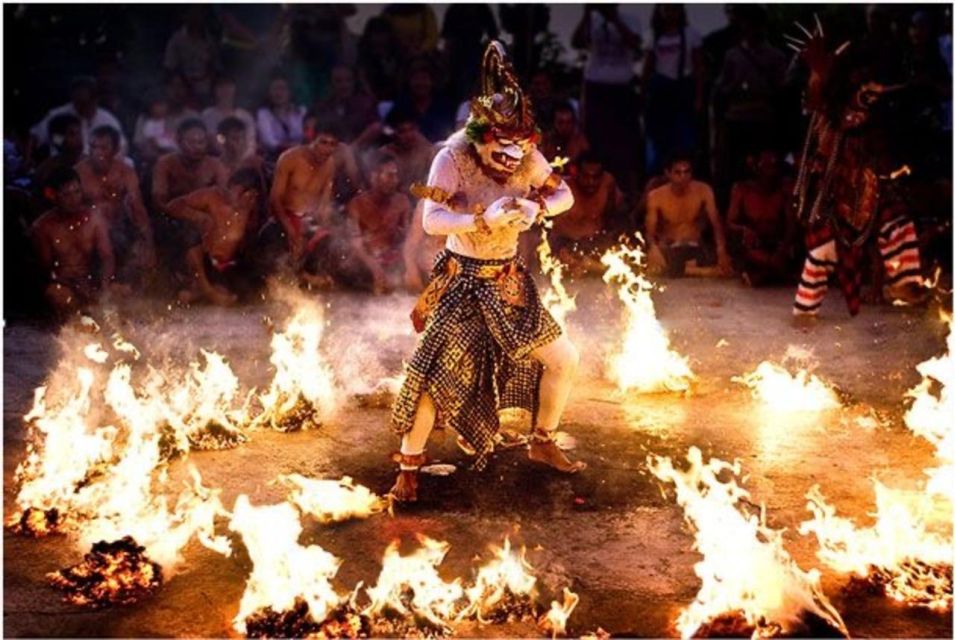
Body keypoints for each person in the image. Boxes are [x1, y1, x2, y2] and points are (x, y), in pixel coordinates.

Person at [390, 42, 585, 504]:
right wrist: (482, 220)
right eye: (502, 150)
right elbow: (430, 220)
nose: (512, 160)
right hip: (462, 281)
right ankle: (408, 467)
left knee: (564, 359)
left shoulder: (528, 155)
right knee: (434, 379)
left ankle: (542, 440)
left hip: (508, 280)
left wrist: (536, 208)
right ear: (481, 135)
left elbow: (566, 196)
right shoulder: (451, 157)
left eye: (520, 151)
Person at [790, 30, 927, 327]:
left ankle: (905, 281)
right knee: (822, 249)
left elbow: (871, 119)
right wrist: (817, 71)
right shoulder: (828, 102)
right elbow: (821, 102)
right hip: (832, 186)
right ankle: (804, 311)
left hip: (866, 183)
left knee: (897, 222)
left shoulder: (869, 102)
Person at [713, 4, 787, 197]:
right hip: (737, 118)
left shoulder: (775, 56)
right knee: (734, 169)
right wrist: (736, 86)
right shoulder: (733, 56)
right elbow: (721, 88)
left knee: (764, 168)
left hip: (762, 119)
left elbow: (782, 88)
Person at [268, 121, 355, 284]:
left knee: (336, 244)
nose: (327, 149)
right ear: (312, 139)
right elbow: (274, 199)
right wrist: (291, 229)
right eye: (323, 142)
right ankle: (293, 279)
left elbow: (324, 206)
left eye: (332, 145)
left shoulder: (329, 165)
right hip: (283, 219)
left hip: (308, 222)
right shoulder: (289, 158)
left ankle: (310, 277)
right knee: (277, 245)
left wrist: (321, 228)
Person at [165, 168, 262, 306]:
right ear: (231, 187)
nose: (245, 200)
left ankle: (199, 292)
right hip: (200, 260)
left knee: (237, 294)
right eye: (238, 192)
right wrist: (200, 217)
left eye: (251, 196)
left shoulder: (251, 210)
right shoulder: (212, 196)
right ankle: (207, 289)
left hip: (223, 267)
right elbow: (172, 206)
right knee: (188, 232)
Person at [572, 3, 642, 190]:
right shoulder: (593, 20)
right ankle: (595, 185)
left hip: (621, 87)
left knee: (624, 143)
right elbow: (577, 42)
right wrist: (586, 14)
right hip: (596, 85)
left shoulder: (631, 19)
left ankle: (623, 189)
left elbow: (635, 44)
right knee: (596, 140)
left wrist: (615, 19)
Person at [30, 168, 118, 316]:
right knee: (57, 295)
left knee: (122, 292)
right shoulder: (43, 227)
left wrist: (104, 285)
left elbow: (107, 257)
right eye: (67, 195)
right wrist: (71, 284)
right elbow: (46, 269)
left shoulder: (94, 218)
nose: (74, 199)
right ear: (54, 196)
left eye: (77, 192)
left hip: (92, 281)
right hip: (64, 285)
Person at [75, 125, 156, 278]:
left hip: (120, 228)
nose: (97, 153)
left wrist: (148, 242)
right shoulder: (78, 173)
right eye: (93, 147)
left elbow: (137, 207)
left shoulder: (125, 172)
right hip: (86, 232)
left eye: (103, 148)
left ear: (116, 149)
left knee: (140, 251)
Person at [645, 151, 731, 278]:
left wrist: (721, 249)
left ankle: (689, 269)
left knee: (725, 261)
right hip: (670, 248)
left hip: (696, 246)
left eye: (687, 172)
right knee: (654, 266)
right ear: (668, 173)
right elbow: (650, 232)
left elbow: (716, 223)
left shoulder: (704, 190)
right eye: (678, 172)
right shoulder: (656, 196)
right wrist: (653, 248)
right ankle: (695, 270)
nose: (683, 176)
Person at [642, 4, 703, 178]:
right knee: (657, 143)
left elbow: (699, 68)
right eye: (667, 9)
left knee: (685, 141)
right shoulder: (653, 35)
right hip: (660, 91)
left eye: (674, 9)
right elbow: (648, 66)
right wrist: (644, 94)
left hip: (683, 89)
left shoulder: (691, 34)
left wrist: (698, 97)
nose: (670, 14)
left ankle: (686, 178)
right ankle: (656, 181)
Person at [726, 148, 795, 286]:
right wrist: (745, 230)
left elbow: (791, 224)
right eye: (766, 166)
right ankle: (767, 272)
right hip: (752, 244)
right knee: (748, 249)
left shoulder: (784, 189)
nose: (770, 172)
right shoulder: (742, 189)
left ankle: (766, 273)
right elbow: (730, 222)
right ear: (755, 167)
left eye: (773, 166)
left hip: (776, 245)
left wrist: (784, 247)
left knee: (785, 260)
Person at [345, 152, 412, 294]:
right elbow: (355, 243)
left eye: (396, 175)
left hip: (391, 259)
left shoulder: (402, 201)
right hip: (364, 262)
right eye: (390, 175)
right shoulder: (357, 204)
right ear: (374, 177)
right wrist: (374, 267)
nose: (395, 180)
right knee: (346, 263)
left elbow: (408, 238)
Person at [549, 152, 626, 275]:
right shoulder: (562, 189)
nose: (591, 182)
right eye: (586, 176)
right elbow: (545, 224)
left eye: (595, 177)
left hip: (595, 244)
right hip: (565, 244)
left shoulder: (608, 183)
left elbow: (618, 216)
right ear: (576, 173)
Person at [31, 76, 127, 156]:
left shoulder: (107, 120)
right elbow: (37, 136)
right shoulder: (58, 115)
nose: (79, 107)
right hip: (63, 167)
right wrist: (63, 141)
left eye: (84, 103)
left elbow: (121, 146)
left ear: (95, 100)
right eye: (76, 102)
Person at [151, 118, 228, 212]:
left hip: (207, 217)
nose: (197, 147)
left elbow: (225, 198)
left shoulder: (215, 165)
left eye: (201, 142)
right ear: (178, 142)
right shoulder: (165, 163)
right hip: (172, 216)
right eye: (191, 142)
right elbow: (159, 200)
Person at [163, 6, 220, 105]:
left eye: (199, 13)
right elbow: (169, 67)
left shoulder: (210, 40)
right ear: (185, 16)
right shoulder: (176, 40)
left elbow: (214, 65)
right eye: (193, 13)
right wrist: (185, 83)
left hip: (205, 90)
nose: (196, 17)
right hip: (183, 91)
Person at [311, 65, 380, 146]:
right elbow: (312, 129)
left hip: (362, 153)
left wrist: (353, 148)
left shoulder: (365, 103)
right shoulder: (322, 107)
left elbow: (376, 127)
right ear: (330, 83)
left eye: (348, 80)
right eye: (338, 81)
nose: (344, 85)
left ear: (354, 82)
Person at [378, 106, 436, 192]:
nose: (408, 135)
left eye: (411, 129)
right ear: (393, 133)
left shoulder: (427, 151)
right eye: (403, 131)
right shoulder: (384, 154)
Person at [202, 75, 257, 158]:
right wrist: (230, 158)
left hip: (244, 159)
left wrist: (243, 158)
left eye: (229, 86)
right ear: (214, 90)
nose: (225, 90)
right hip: (219, 160)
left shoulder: (245, 116)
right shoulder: (208, 115)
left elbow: (251, 142)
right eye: (221, 87)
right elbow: (213, 141)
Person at [256, 73, 307, 158]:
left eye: (283, 89)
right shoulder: (264, 114)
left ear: (289, 92)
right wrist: (294, 146)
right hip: (275, 159)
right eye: (275, 89)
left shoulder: (301, 112)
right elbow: (270, 142)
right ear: (269, 92)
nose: (279, 93)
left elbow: (307, 137)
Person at [33, 114, 84, 193]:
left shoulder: (91, 163)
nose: (79, 139)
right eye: (72, 134)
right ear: (58, 140)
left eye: (79, 133)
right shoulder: (46, 170)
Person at [538, 101, 591, 167]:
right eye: (560, 122)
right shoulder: (545, 141)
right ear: (553, 123)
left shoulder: (580, 141)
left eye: (569, 122)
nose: (565, 127)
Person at [216, 116, 266, 183]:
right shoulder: (215, 167)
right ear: (222, 140)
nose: (241, 142)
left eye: (243, 137)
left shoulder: (256, 163)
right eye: (235, 138)